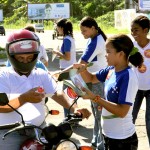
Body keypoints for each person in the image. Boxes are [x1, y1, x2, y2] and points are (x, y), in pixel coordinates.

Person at [0, 30, 91, 150]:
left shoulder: (41, 74)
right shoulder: (4, 77)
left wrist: (74, 108)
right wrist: (24, 98)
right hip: (10, 133)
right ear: (12, 56)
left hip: (40, 130)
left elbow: (56, 93)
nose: (25, 61)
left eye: (29, 57)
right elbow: (1, 106)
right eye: (21, 58)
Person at [73, 34, 143, 150]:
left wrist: (95, 98)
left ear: (120, 54)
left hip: (122, 140)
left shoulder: (128, 76)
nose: (105, 56)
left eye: (108, 52)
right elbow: (90, 78)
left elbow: (122, 112)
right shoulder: (111, 70)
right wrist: (82, 69)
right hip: (108, 135)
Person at [78, 16, 107, 150]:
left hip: (98, 82)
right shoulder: (94, 39)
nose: (83, 34)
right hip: (94, 81)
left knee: (100, 115)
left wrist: (65, 74)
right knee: (97, 114)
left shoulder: (96, 41)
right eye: (81, 31)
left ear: (93, 28)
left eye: (84, 31)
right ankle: (96, 142)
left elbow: (81, 64)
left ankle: (101, 145)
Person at [131, 15, 150, 145]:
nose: (133, 33)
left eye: (136, 30)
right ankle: (129, 146)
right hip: (134, 89)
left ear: (146, 30)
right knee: (129, 120)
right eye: (131, 30)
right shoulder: (130, 47)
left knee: (149, 122)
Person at [52, 18, 77, 117]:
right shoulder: (70, 38)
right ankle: (73, 116)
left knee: (66, 96)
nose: (57, 30)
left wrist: (57, 52)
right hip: (71, 69)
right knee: (71, 94)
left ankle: (69, 118)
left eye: (57, 27)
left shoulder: (66, 39)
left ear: (62, 28)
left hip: (67, 70)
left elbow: (67, 57)